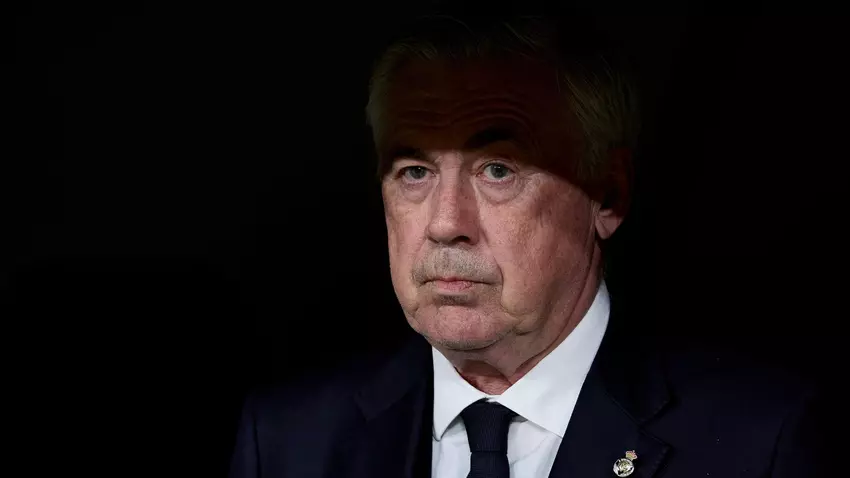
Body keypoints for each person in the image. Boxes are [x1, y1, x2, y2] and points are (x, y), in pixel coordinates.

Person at [229, 13, 828, 478]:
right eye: (414, 171)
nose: (445, 223)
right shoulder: (287, 441)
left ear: (607, 196)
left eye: (498, 170)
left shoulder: (762, 444)